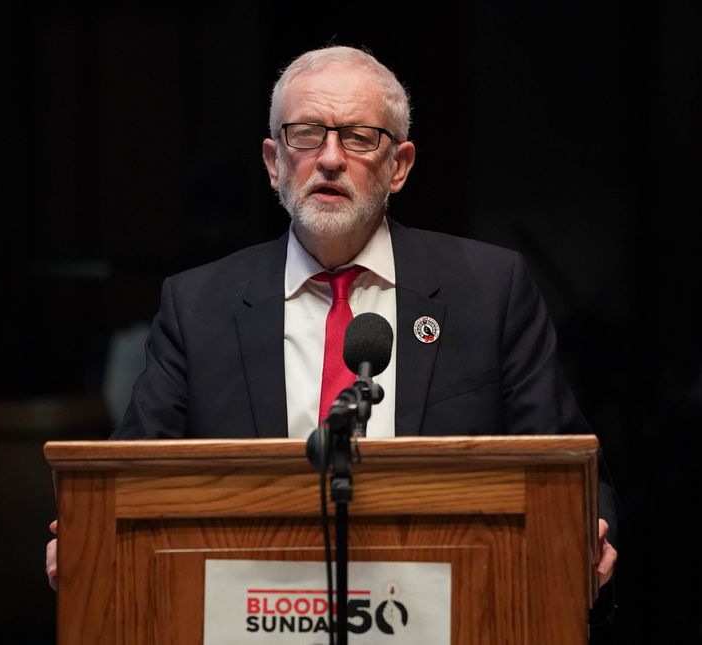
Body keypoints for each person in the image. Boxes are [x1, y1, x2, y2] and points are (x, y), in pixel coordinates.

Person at [46, 45, 617, 599]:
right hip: (257, 608)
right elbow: (135, 476)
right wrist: (91, 526)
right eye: (306, 134)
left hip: (445, 600)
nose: (329, 157)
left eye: (359, 137)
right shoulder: (198, 305)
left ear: (399, 167)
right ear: (274, 162)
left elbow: (565, 464)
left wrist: (589, 524)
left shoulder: (490, 290)